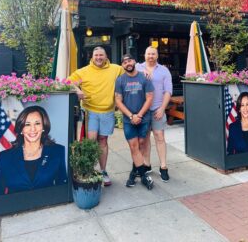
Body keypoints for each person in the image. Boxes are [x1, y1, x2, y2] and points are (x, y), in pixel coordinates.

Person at [68, 46, 124, 186]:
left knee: (103, 141)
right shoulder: (84, 71)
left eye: (101, 55)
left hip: (108, 111)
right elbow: (67, 81)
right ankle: (89, 170)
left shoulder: (116, 69)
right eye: (96, 55)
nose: (99, 57)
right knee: (92, 141)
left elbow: (131, 73)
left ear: (106, 56)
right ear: (92, 57)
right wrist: (77, 90)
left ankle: (103, 171)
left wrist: (145, 73)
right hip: (90, 111)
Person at [0, 105, 67, 195]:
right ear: (21, 129)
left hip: (48, 207)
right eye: (27, 124)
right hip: (14, 208)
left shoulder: (57, 151)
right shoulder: (5, 157)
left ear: (43, 126)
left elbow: (63, 189)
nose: (33, 129)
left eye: (37, 123)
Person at [115, 53, 155, 189]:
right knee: (134, 146)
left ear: (135, 61)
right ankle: (144, 177)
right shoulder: (120, 80)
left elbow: (150, 97)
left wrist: (139, 115)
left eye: (130, 60)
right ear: (122, 65)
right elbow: (118, 101)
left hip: (144, 118)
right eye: (125, 62)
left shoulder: (144, 77)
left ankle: (134, 172)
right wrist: (132, 116)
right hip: (128, 120)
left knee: (142, 144)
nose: (128, 63)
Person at [136, 46, 173, 182]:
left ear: (157, 56)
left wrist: (163, 108)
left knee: (159, 136)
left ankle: (163, 167)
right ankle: (146, 164)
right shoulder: (137, 68)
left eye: (153, 54)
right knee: (144, 138)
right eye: (148, 54)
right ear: (144, 55)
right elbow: (125, 73)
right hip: (143, 110)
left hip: (158, 108)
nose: (151, 56)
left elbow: (168, 91)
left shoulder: (164, 71)